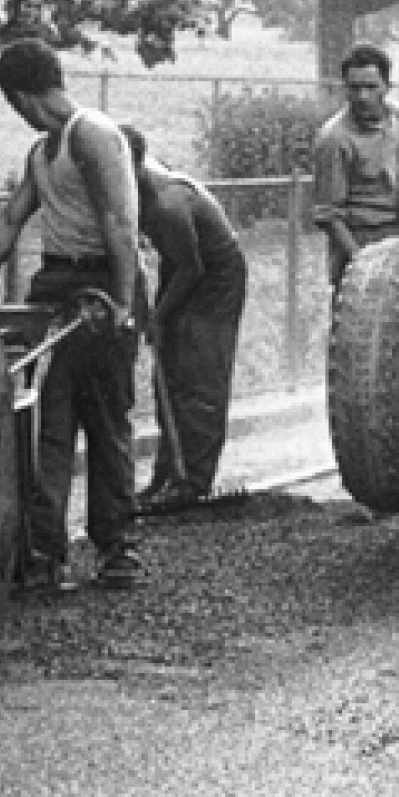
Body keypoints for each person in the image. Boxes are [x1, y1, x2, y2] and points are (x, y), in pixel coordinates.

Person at [0, 40, 144, 590]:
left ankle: (118, 547)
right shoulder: (42, 153)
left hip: (101, 286)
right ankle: (48, 551)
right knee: (51, 425)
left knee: (106, 420)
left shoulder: (94, 135)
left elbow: (120, 224)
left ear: (21, 98)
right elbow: (10, 223)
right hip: (57, 287)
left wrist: (124, 305)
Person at [122, 126, 249, 510]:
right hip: (180, 267)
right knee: (170, 371)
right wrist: (149, 312)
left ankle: (193, 480)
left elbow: (192, 268)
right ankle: (167, 472)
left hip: (215, 276)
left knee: (199, 374)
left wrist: (159, 317)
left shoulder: (168, 202)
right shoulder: (132, 188)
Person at [312, 41, 399, 288]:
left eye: (371, 87)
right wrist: (362, 263)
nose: (362, 97)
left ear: (387, 87)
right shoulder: (334, 139)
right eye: (355, 88)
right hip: (359, 241)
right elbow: (328, 215)